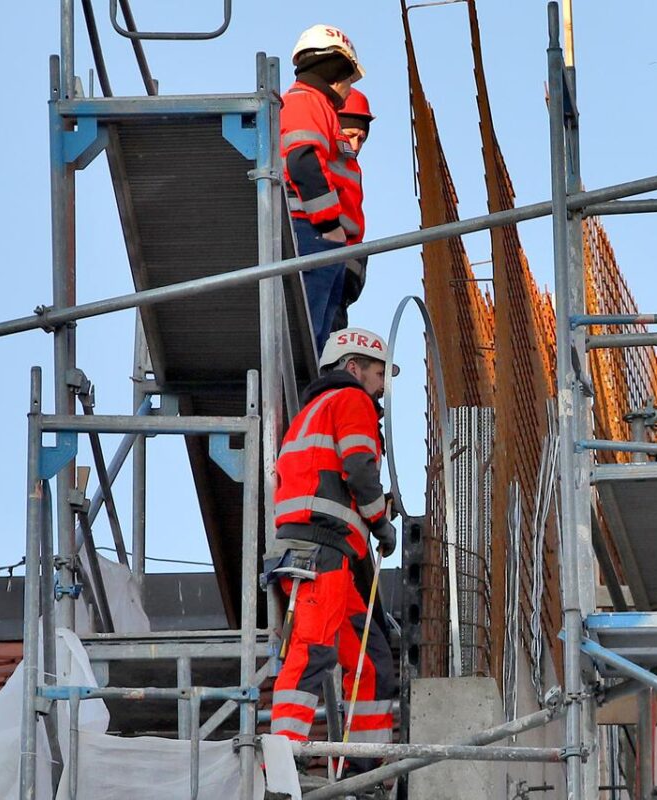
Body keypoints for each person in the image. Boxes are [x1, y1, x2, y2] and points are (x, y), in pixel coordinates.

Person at [269, 328, 399, 769]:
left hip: (324, 554)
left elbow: (332, 480)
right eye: (379, 374)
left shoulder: (312, 413)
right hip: (320, 553)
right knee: (311, 651)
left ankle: (364, 770)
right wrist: (380, 520)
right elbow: (359, 468)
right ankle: (280, 760)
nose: (382, 386)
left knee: (371, 661)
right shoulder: (351, 401)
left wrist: (370, 513)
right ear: (352, 367)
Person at [281, 24, 365, 353]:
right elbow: (303, 161)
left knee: (318, 345)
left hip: (324, 240)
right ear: (336, 70)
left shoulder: (318, 108)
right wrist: (330, 226)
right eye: (349, 77)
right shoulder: (306, 103)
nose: (349, 88)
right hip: (314, 233)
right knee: (308, 341)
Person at [332, 88, 375, 332]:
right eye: (350, 135)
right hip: (327, 259)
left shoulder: (351, 167)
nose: (356, 145)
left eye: (362, 138)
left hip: (345, 273)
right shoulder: (323, 159)